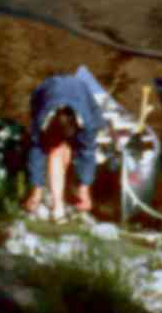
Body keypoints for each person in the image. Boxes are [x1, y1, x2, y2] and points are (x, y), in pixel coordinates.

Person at [23, 67, 109, 219]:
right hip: (46, 91)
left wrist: (85, 188)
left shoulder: (87, 123)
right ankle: (57, 203)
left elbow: (88, 153)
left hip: (81, 95)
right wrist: (36, 189)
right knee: (54, 151)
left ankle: (69, 184)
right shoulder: (41, 120)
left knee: (76, 149)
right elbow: (36, 151)